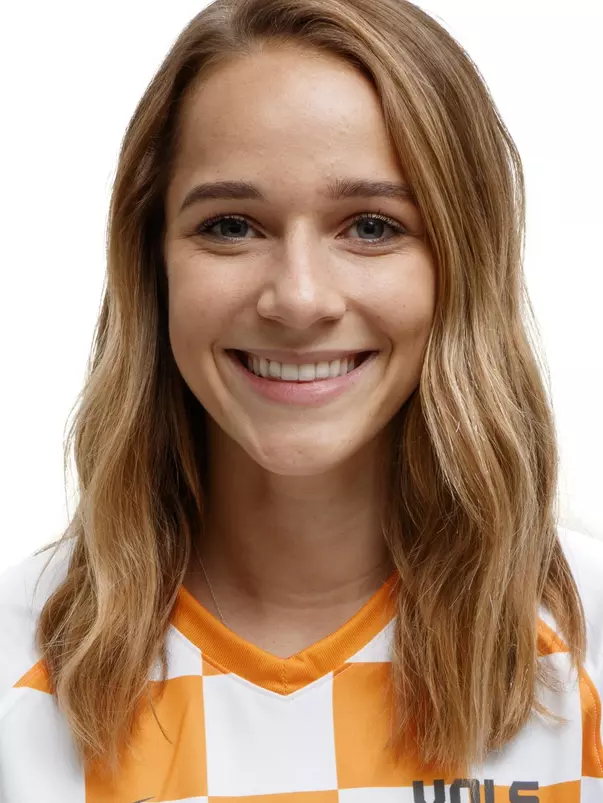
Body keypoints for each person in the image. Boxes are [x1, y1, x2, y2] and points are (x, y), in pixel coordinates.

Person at [1, 0, 602, 800]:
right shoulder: (17, 663)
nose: (299, 298)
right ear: (153, 267)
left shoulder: (586, 639)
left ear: (463, 261)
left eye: (370, 227)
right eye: (230, 226)